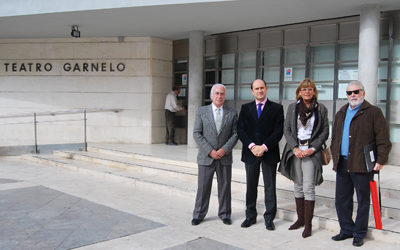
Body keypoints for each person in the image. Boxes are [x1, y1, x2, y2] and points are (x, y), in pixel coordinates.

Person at [330, 80, 392, 247]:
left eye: (356, 91)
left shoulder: (373, 112)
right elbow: (335, 137)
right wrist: (333, 154)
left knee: (363, 200)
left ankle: (359, 233)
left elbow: (383, 139)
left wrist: (380, 160)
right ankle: (346, 230)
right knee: (341, 200)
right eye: (349, 93)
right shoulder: (341, 112)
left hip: (362, 164)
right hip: (343, 163)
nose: (353, 95)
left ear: (363, 93)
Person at [278, 78, 329, 238]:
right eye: (304, 89)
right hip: (296, 151)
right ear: (299, 92)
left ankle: (308, 224)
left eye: (310, 89)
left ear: (314, 91)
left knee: (308, 187)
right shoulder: (293, 108)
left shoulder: (321, 109)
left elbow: (325, 131)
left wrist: (313, 148)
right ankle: (300, 219)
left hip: (311, 152)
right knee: (298, 186)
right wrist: (294, 147)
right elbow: (287, 129)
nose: (307, 92)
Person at [237, 79, 284, 231]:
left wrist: (263, 147)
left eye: (262, 88)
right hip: (250, 153)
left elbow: (278, 131)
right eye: (256, 88)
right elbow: (241, 130)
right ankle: (250, 216)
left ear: (266, 88)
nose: (259, 91)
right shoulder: (245, 108)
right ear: (252, 91)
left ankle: (269, 218)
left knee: (270, 187)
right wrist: (252, 146)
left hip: (268, 153)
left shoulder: (277, 108)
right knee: (251, 186)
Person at [191, 83, 238, 226]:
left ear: (225, 96)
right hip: (206, 157)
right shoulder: (201, 111)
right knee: (203, 187)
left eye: (222, 94)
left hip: (224, 157)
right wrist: (210, 151)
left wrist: (224, 149)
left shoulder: (232, 112)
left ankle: (225, 214)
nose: (219, 96)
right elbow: (197, 133)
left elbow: (236, 134)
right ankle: (198, 214)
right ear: (212, 95)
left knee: (225, 187)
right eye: (217, 93)